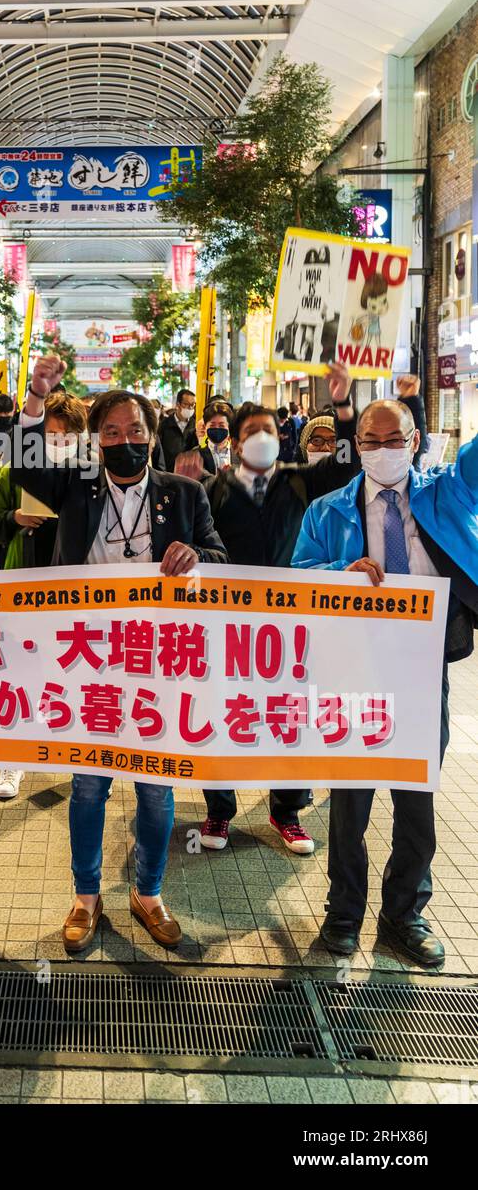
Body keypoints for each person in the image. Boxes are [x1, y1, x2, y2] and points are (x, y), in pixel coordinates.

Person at [13, 356, 227, 954]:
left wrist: (198, 558)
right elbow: (20, 459)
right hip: (86, 661)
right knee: (88, 786)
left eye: (135, 431)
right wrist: (36, 397)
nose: (124, 441)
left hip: (159, 662)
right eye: (111, 432)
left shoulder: (184, 493)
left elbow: (221, 555)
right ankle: (85, 896)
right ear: (94, 440)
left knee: (157, 788)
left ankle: (149, 892)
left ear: (152, 437)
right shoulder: (75, 486)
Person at [293, 397, 478, 969]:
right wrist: (338, 575)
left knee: (416, 802)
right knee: (350, 804)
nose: (380, 450)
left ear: (415, 440)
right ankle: (343, 913)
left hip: (423, 671)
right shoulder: (328, 512)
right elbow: (296, 580)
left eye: (392, 439)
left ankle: (405, 914)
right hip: (355, 673)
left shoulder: (446, 492)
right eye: (369, 441)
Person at [197, 362, 357, 857]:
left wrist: (346, 408)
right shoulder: (214, 489)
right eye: (251, 432)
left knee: (290, 713)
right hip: (229, 623)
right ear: (238, 443)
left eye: (268, 429)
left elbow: (348, 464)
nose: (260, 438)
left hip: (291, 622)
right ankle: (220, 810)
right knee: (223, 711)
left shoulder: (298, 480)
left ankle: (285, 810)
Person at [0, 390, 88, 801]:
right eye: (51, 433)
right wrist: (14, 517)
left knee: (75, 674)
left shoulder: (91, 478)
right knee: (21, 673)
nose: (58, 440)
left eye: (68, 434)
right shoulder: (15, 473)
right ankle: (13, 761)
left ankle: (83, 764)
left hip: (75, 592)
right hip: (24, 583)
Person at [178, 401, 234, 478]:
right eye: (212, 425)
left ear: (229, 427)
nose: (217, 428)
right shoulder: (195, 455)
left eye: (221, 425)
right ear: (205, 427)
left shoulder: (239, 454)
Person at [158, 388, 197, 471]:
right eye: (186, 404)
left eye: (193, 405)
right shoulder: (165, 425)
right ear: (178, 404)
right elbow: (158, 452)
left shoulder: (196, 426)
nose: (190, 408)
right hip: (168, 473)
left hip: (189, 474)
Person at [395, 374, 430, 462]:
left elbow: (416, 382)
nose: (399, 386)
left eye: (402, 384)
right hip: (411, 445)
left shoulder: (412, 401)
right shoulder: (410, 401)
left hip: (412, 445)